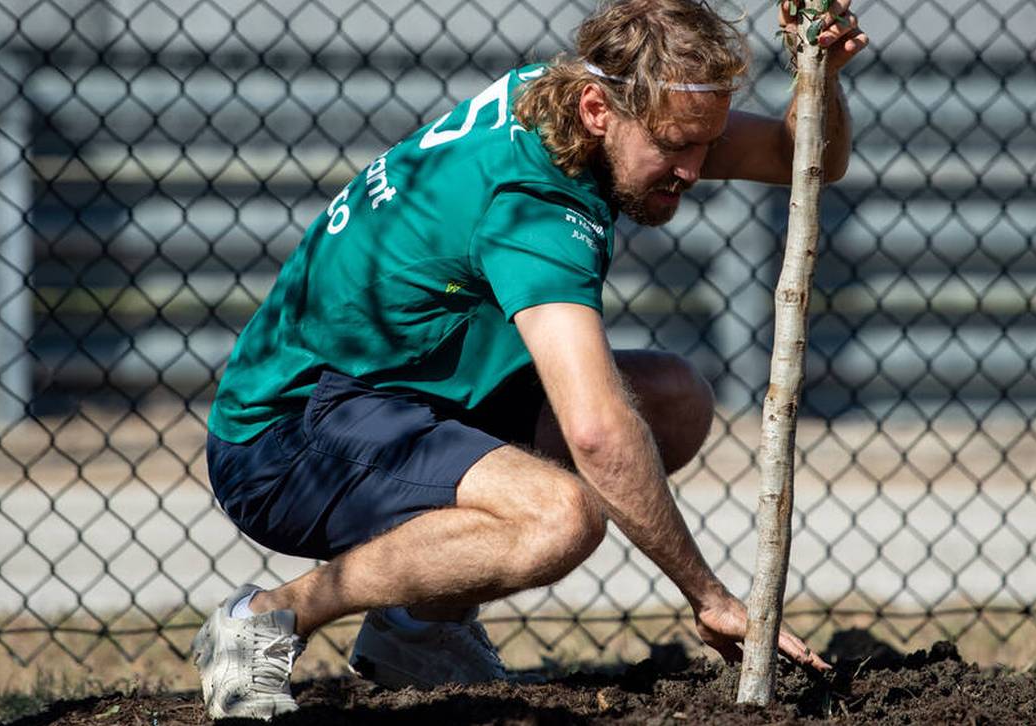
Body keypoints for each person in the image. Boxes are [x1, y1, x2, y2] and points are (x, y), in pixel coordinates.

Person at [191, 0, 868, 719]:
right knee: (558, 518)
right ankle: (266, 617)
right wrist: (710, 597)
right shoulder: (535, 207)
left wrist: (816, 74)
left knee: (672, 398)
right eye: (675, 146)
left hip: (406, 388)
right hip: (287, 438)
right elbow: (597, 434)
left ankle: (420, 630)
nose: (694, 171)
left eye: (705, 143)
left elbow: (804, 159)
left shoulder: (564, 97)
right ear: (598, 109)